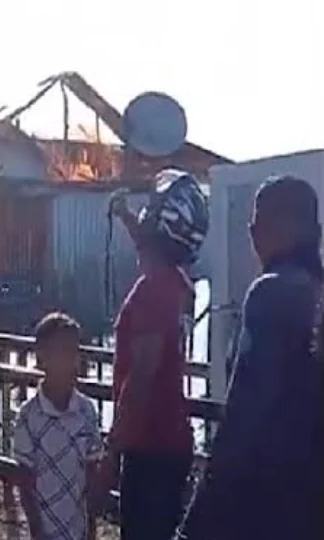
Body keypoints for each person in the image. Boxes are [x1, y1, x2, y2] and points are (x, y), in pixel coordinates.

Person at [176, 176, 324, 540]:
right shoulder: (315, 294)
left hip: (269, 503)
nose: (252, 231)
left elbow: (245, 415)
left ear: (284, 226)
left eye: (258, 220)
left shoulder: (272, 292)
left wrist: (196, 522)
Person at [105, 169, 208, 540]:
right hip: (170, 443)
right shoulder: (177, 283)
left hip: (148, 445)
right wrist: (126, 216)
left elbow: (142, 376)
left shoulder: (151, 290)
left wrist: (112, 449)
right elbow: (150, 253)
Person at [14, 312, 103, 540]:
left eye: (73, 352)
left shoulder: (87, 411)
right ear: (42, 358)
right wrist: (35, 529)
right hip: (44, 530)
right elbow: (25, 480)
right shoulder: (28, 415)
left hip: (78, 529)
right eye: (61, 351)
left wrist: (91, 526)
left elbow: (92, 474)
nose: (69, 360)